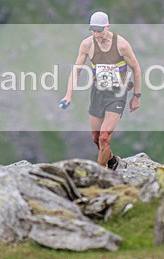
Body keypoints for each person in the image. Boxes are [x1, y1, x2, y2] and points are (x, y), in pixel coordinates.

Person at [60, 11, 142, 170]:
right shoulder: (87, 45)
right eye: (93, 30)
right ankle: (112, 162)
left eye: (100, 30)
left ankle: (100, 176)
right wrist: (68, 94)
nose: (96, 34)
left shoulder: (122, 45)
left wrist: (136, 96)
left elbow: (136, 69)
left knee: (105, 137)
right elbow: (76, 70)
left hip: (117, 94)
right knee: (96, 138)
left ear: (108, 26)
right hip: (98, 93)